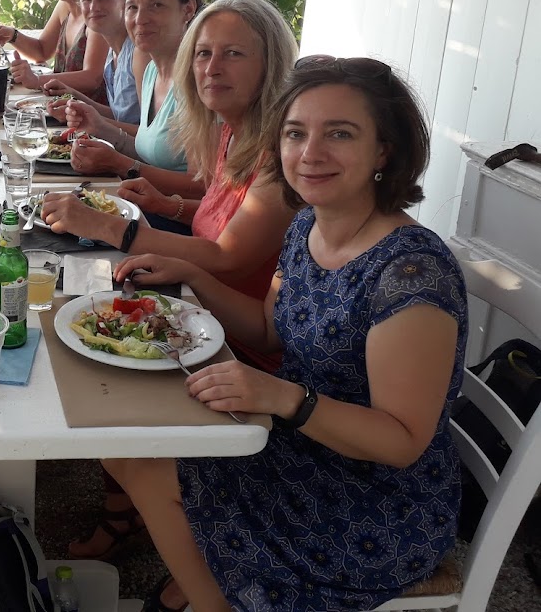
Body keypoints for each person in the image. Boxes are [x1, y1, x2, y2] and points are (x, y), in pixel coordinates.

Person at [109, 56, 467, 612]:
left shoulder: (410, 275)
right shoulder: (306, 226)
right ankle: (208, 583)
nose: (310, 153)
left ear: (384, 151)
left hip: (374, 503)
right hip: (295, 438)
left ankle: (215, 598)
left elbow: (401, 442)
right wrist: (194, 277)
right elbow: (270, 331)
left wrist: (284, 397)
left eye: (339, 134)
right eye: (295, 133)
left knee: (147, 466)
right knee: (126, 442)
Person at [42, 0, 297, 301]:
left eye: (233, 53)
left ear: (271, 65)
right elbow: (222, 219)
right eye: (203, 53)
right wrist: (165, 205)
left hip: (220, 321)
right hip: (191, 294)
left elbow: (226, 258)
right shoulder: (231, 131)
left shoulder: (282, 157)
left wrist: (101, 224)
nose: (212, 68)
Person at [63, 0, 204, 215]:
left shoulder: (200, 81)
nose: (140, 18)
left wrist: (119, 164)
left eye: (156, 5)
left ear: (188, 9)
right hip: (141, 206)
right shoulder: (152, 71)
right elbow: (147, 152)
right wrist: (100, 127)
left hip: (175, 221)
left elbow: (203, 188)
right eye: (133, 7)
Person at [40, 0, 144, 124]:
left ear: (125, 0)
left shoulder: (139, 54)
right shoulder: (112, 54)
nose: (94, 7)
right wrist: (74, 96)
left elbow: (146, 133)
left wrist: (90, 121)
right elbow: (119, 116)